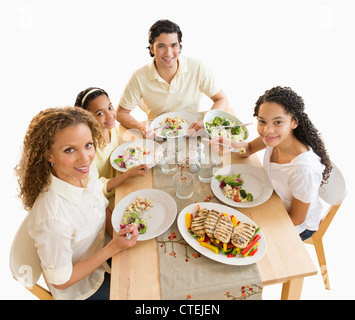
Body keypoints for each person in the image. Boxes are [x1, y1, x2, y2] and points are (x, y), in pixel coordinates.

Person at [14, 107, 139, 300]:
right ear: (49, 155)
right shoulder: (53, 218)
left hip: (103, 252)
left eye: (88, 145)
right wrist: (114, 247)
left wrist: (116, 234)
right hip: (83, 287)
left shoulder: (85, 172)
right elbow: (62, 280)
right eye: (69, 150)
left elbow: (101, 205)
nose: (85, 158)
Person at [212, 86, 332, 241]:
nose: (267, 130)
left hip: (296, 225)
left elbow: (296, 219)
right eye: (262, 121)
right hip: (272, 198)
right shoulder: (275, 139)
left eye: (278, 122)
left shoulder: (304, 170)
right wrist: (229, 144)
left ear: (294, 122)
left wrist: (255, 226)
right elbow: (248, 148)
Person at [116, 19, 229, 137]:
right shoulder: (139, 76)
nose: (169, 53)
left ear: (179, 46)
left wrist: (206, 122)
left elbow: (222, 99)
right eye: (161, 46)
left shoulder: (197, 66)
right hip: (158, 136)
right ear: (152, 49)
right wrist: (140, 127)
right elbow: (121, 113)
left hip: (192, 132)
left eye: (174, 45)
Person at [75, 87, 148, 218]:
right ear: (86, 118)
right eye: (100, 113)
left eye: (110, 107)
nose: (110, 115)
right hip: (107, 200)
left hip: (123, 182)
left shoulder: (111, 128)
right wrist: (127, 175)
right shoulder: (87, 149)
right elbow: (94, 189)